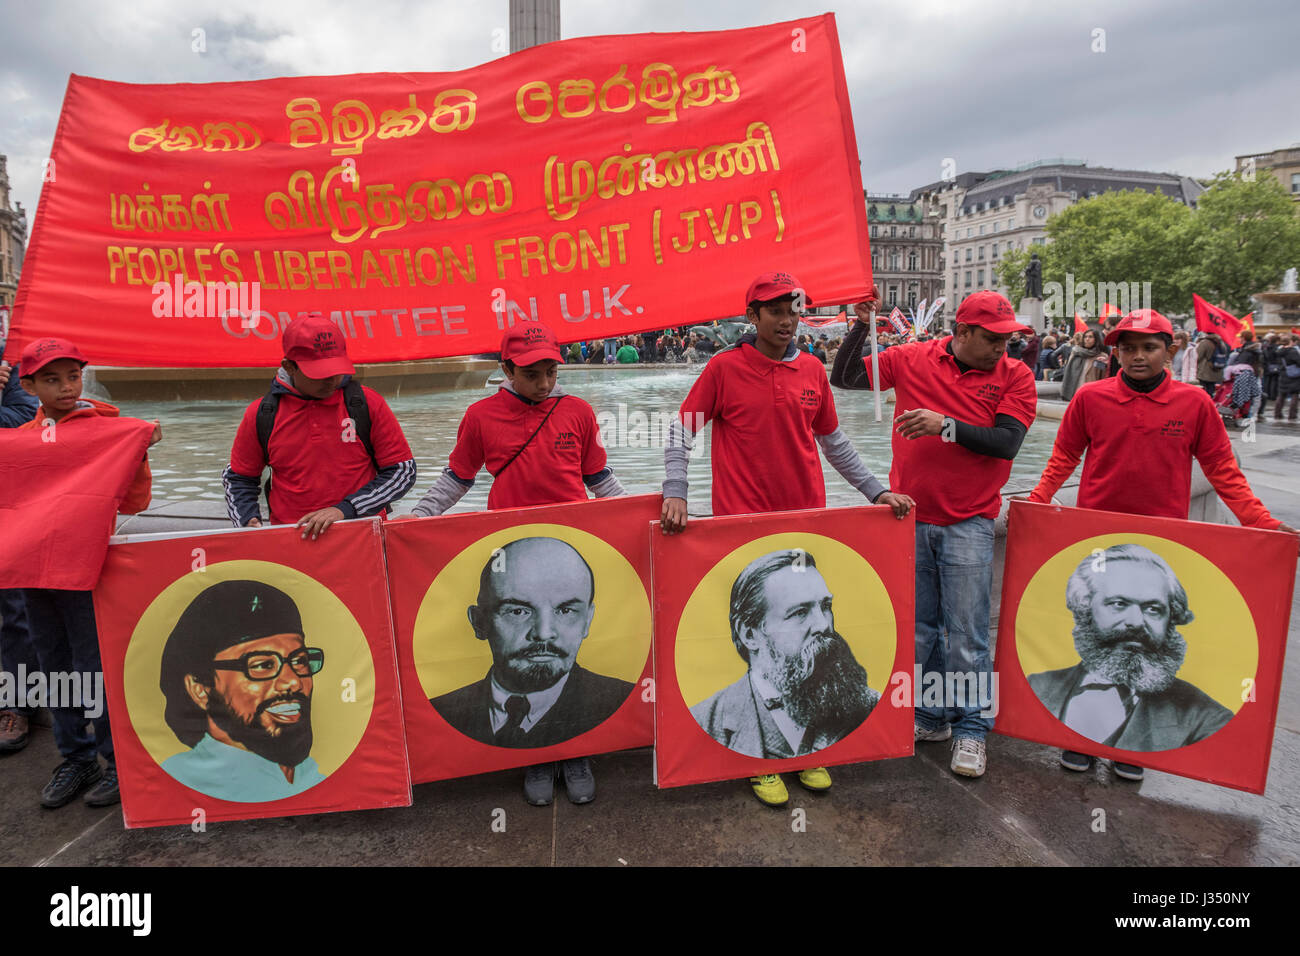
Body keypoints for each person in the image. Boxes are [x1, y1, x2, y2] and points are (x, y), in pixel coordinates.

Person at [663, 271, 913, 807]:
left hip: (805, 524)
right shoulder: (723, 368)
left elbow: (834, 443)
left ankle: (808, 745)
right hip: (742, 529)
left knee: (810, 646)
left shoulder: (812, 370)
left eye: (793, 311)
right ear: (752, 317)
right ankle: (760, 753)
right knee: (763, 641)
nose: (785, 320)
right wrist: (676, 490)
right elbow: (681, 429)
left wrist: (875, 492)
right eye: (774, 311)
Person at [1026, 309, 1297, 779]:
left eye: (1148, 347)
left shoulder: (1194, 404)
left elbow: (1223, 472)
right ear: (1116, 351)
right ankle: (1079, 737)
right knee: (1101, 636)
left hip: (1163, 544)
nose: (1136, 356)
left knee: (1146, 644)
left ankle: (1131, 746)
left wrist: (1263, 522)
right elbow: (1064, 457)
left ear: (1169, 351)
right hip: (1096, 540)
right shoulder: (1091, 398)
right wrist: (1036, 501)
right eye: (1127, 348)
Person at [407, 322, 626, 807]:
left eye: (550, 371)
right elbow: (456, 479)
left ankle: (576, 748)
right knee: (527, 656)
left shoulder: (578, 412)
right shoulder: (481, 416)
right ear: (506, 370)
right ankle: (536, 753)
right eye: (532, 374)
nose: (544, 383)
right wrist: (419, 518)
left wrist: (641, 515)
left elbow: (599, 478)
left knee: (562, 654)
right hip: (511, 554)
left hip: (573, 546)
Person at [831, 289, 1038, 778]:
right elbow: (844, 377)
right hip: (913, 515)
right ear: (962, 332)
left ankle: (971, 729)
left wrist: (945, 426)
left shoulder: (1017, 376)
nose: (1000, 349)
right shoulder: (910, 358)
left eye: (1007, 340)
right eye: (992, 339)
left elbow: (1006, 444)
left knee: (967, 634)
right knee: (923, 631)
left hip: (970, 519)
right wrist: (862, 325)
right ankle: (931, 716)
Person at [16, 337, 161, 807]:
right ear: (29, 384)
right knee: (54, 666)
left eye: (73, 376)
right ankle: (75, 759)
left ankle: (116, 763)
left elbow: (136, 503)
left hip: (88, 571)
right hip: (36, 573)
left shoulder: (109, 430)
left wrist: (136, 453)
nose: (65, 387)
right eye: (52, 379)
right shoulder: (21, 439)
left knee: (94, 666)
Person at [222, 313, 416, 537]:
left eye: (335, 369)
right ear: (289, 366)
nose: (331, 380)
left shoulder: (366, 403)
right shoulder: (262, 414)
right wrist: (248, 522)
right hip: (292, 541)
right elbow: (239, 478)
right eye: (319, 373)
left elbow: (402, 472)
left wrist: (345, 509)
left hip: (364, 537)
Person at [430, 538, 633, 749]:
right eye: (518, 612)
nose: (543, 634)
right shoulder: (440, 713)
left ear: (587, 620)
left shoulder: (623, 704)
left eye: (565, 611)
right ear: (479, 622)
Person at [1027, 545, 1233, 752]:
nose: (1136, 622)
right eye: (1118, 604)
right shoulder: (1035, 686)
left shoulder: (1207, 718)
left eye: (1153, 609)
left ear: (1171, 618)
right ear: (1086, 609)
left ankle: (1132, 763)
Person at [690, 550, 880, 758]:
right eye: (799, 612)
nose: (824, 625)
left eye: (825, 606)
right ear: (749, 634)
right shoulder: (704, 721)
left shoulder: (868, 706)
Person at [159, 580, 327, 801]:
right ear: (201, 690)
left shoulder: (321, 782)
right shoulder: (177, 787)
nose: (293, 682)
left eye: (299, 661)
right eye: (262, 665)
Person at [0, 352, 40, 753]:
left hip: (5, 504)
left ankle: (18, 703)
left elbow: (22, 422)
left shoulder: (8, 364)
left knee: (14, 609)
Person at [1060, 329, 1107, 401]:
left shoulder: (1101, 356)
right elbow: (1068, 371)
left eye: (1090, 337)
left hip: (1091, 393)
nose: (1087, 339)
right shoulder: (1076, 352)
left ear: (1096, 339)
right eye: (1085, 337)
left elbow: (1102, 377)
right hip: (1075, 391)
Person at [1273, 334, 1300, 421]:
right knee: (1294, 395)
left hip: (1282, 374)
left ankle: (1277, 413)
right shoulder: (1293, 351)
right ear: (1290, 342)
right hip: (1293, 375)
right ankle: (1292, 414)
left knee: (1281, 395)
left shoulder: (1279, 351)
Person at [1195, 330, 1229, 399]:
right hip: (1217, 371)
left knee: (1203, 392)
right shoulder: (1221, 342)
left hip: (1205, 372)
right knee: (1211, 390)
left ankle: (1206, 406)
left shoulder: (1205, 342)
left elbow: (1197, 357)